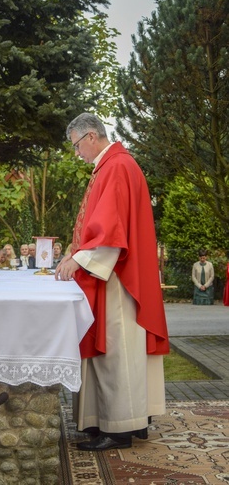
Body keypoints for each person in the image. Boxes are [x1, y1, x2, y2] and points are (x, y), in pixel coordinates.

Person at [55, 113, 169, 451]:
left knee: (117, 349)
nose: (77, 153)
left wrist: (79, 260)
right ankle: (127, 419)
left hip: (119, 277)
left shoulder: (117, 166)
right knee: (123, 351)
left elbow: (111, 229)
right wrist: (73, 254)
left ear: (91, 136)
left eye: (77, 146)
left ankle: (119, 429)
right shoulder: (113, 166)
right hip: (117, 272)